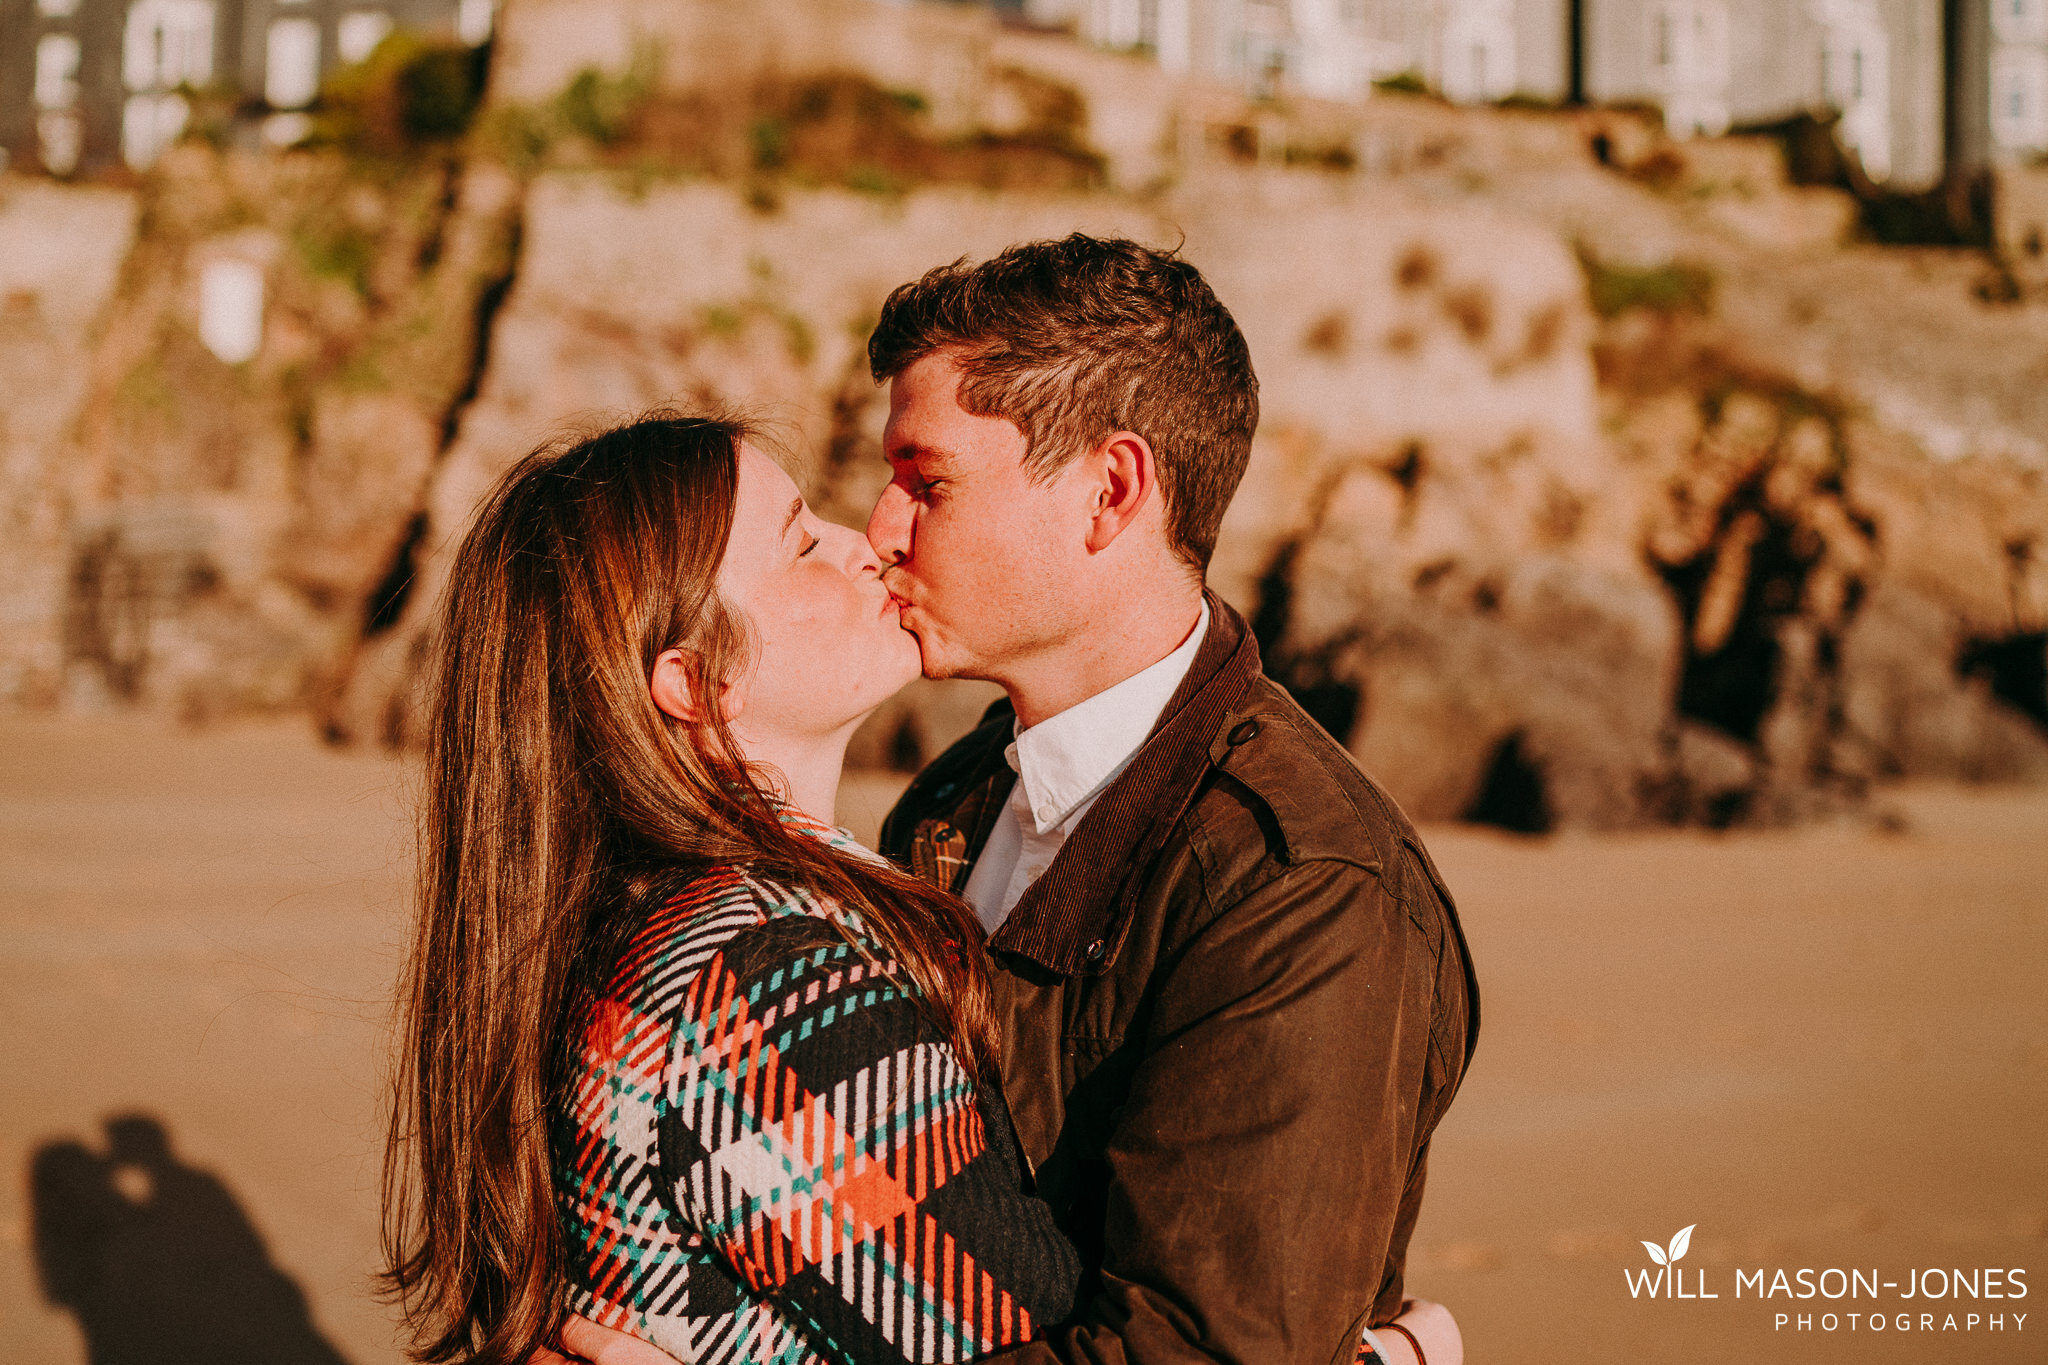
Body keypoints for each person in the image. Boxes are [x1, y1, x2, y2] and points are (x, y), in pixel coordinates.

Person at [548, 236, 1474, 1365]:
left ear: (1108, 492)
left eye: (926, 482)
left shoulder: (1303, 888)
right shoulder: (954, 802)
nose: (883, 530)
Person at [381, 415, 1080, 1365]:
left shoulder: (643, 921)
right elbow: (1019, 1339)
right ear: (698, 680)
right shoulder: (774, 980)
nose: (865, 542)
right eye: (801, 544)